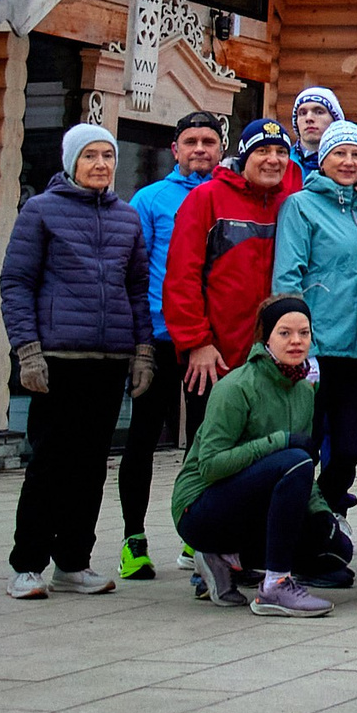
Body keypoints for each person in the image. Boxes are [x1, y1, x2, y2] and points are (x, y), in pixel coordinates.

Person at [3, 121, 150, 599]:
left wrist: (142, 351)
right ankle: (27, 564)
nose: (102, 165)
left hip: (108, 360)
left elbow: (136, 290)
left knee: (90, 466)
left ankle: (73, 561)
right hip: (57, 358)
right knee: (49, 461)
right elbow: (16, 284)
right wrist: (27, 352)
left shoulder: (127, 218)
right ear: (71, 162)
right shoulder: (41, 212)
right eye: (90, 156)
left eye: (108, 156)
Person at [169, 295, 353, 614]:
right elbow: (210, 466)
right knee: (293, 457)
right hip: (199, 509)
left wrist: (322, 512)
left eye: (304, 333)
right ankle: (274, 586)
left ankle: (228, 560)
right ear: (265, 337)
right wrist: (278, 441)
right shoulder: (235, 388)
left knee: (335, 549)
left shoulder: (303, 390)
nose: (296, 341)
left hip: (252, 507)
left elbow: (301, 471)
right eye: (285, 333)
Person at [118, 109, 226, 579]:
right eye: (191, 142)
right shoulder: (149, 199)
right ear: (175, 150)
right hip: (160, 340)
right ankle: (133, 538)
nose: (200, 149)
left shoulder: (227, 196)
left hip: (209, 342)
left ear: (221, 148)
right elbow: (133, 273)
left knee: (204, 441)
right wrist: (139, 338)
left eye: (208, 141)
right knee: (143, 437)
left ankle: (193, 535)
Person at [271, 118, 357, 513]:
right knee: (305, 446)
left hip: (355, 351)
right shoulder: (301, 206)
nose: (348, 162)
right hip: (313, 352)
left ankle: (329, 516)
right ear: (323, 158)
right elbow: (288, 277)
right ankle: (295, 522)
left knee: (348, 450)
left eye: (356, 154)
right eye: (339, 153)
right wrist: (298, 345)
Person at [166, 117, 300, 402]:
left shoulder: (290, 203)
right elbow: (182, 277)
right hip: (216, 358)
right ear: (244, 155)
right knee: (211, 444)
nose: (273, 160)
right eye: (262, 151)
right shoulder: (207, 198)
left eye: (281, 152)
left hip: (273, 358)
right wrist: (197, 342)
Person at [287, 87, 345, 185]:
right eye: (302, 113)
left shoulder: (353, 167)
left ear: (335, 120)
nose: (309, 118)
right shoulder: (281, 163)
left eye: (319, 112)